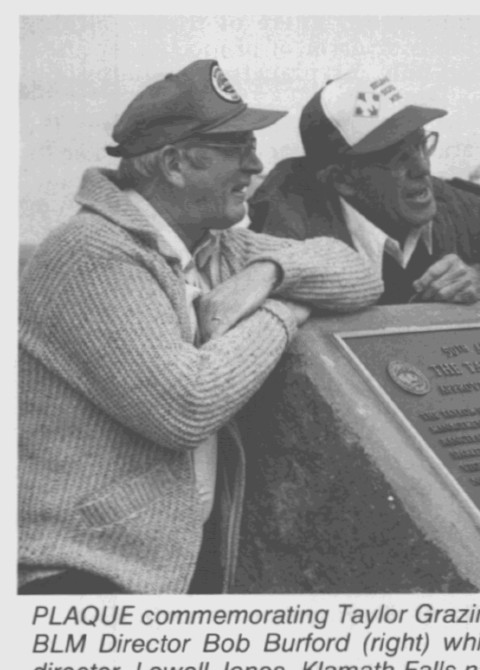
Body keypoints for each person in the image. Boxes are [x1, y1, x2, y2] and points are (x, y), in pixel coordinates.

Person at [18, 60, 383, 594]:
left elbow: (357, 272)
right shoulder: (91, 253)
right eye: (238, 148)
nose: (256, 166)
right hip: (79, 575)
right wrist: (284, 310)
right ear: (174, 165)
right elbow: (184, 407)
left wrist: (270, 273)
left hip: (164, 566)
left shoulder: (215, 246)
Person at [248, 68, 480, 304]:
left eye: (420, 144)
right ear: (343, 180)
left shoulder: (454, 206)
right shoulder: (287, 238)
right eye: (397, 157)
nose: (422, 167)